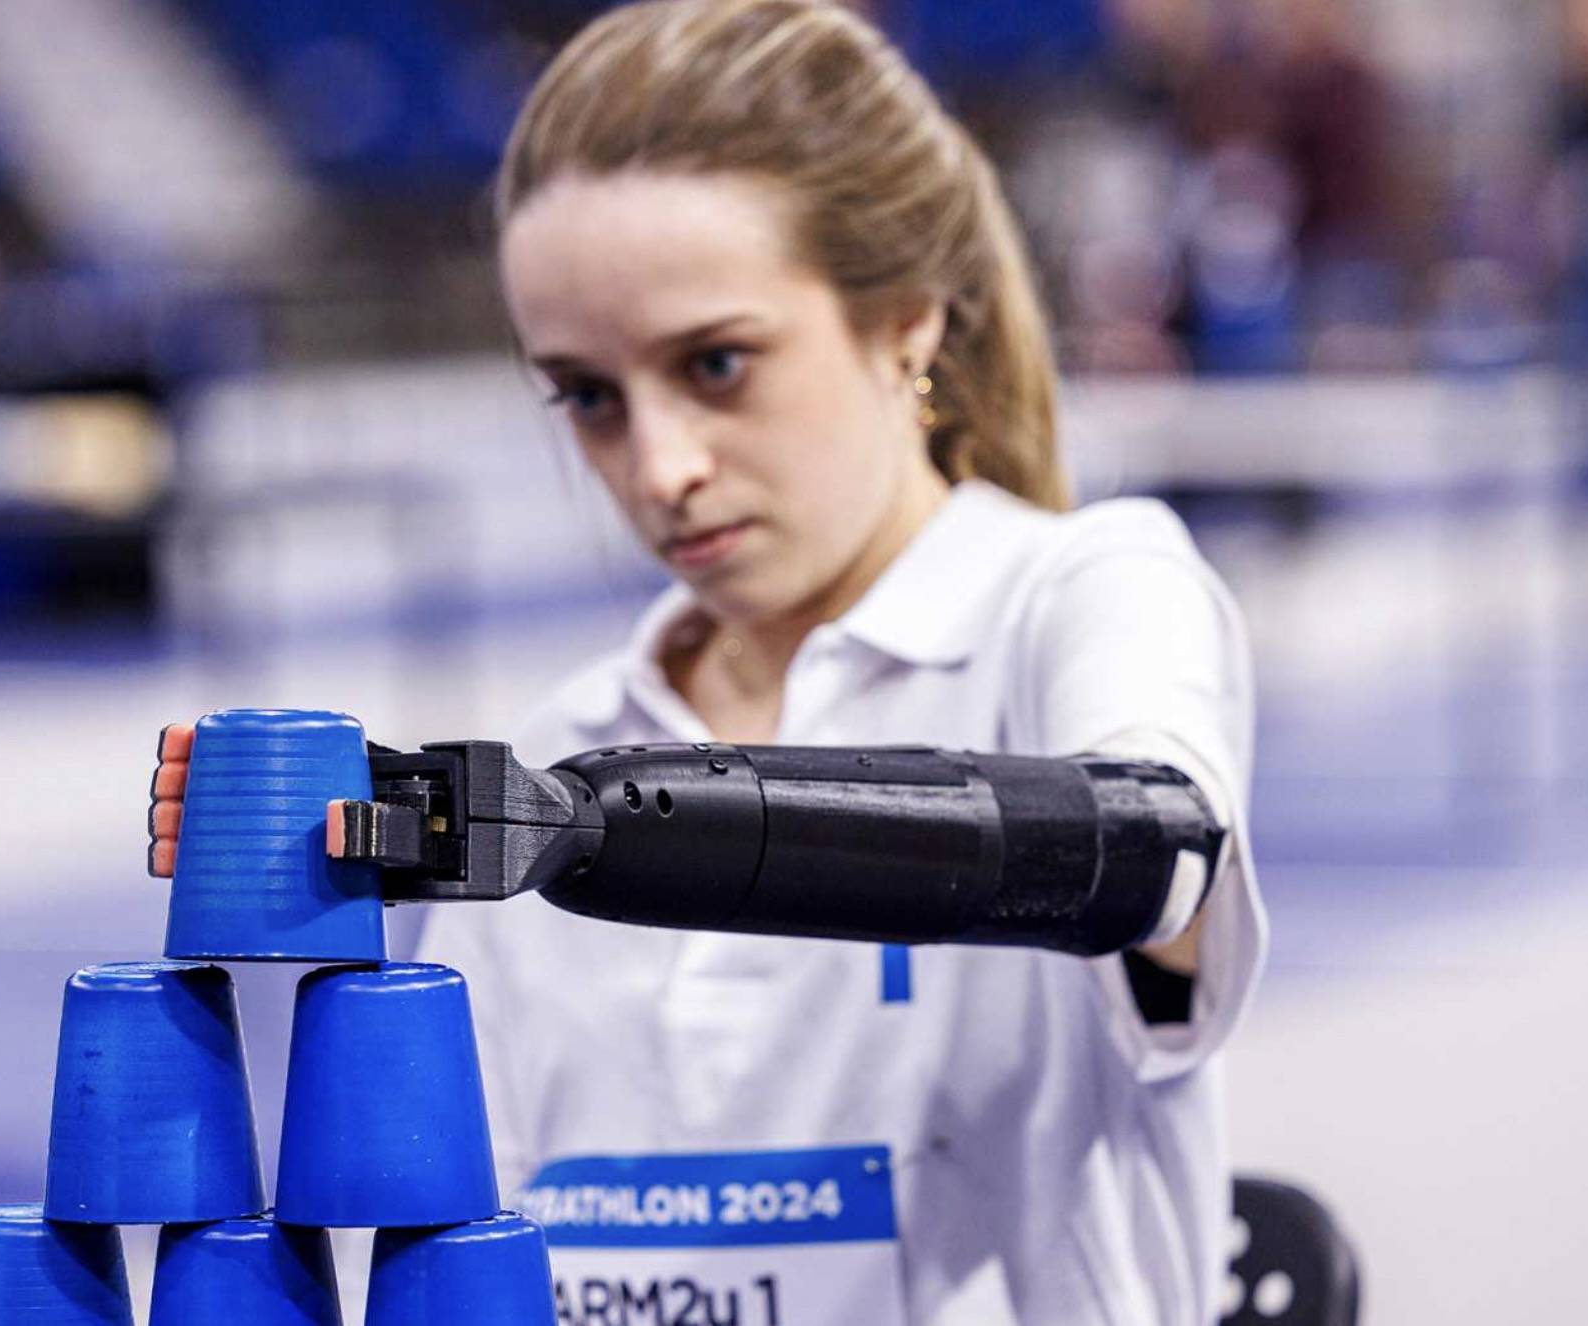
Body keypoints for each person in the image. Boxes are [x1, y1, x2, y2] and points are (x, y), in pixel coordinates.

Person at [151, 2, 1263, 1321]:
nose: (660, 469)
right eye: (589, 396)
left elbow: (1153, 853)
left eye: (717, 364)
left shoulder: (1082, 598)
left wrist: (586, 828)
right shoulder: (550, 759)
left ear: (904, 322)